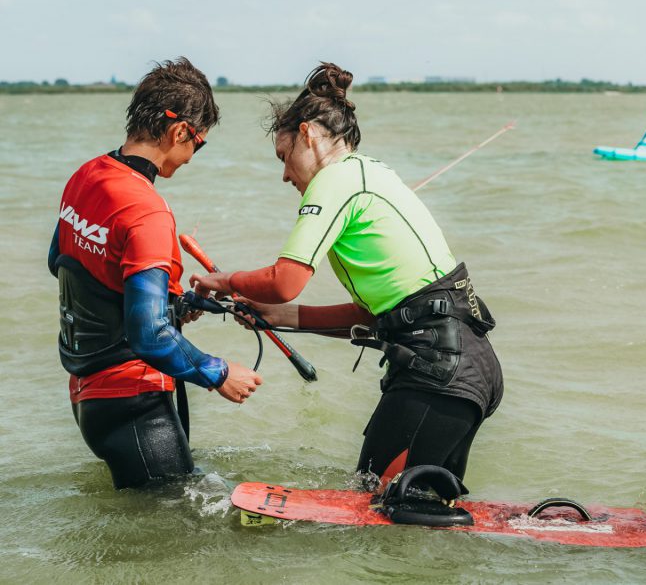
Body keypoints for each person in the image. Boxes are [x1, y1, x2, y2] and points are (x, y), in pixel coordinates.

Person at [191, 62, 503, 487]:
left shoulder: (335, 180)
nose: (284, 174)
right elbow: (380, 315)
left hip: (437, 370)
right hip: (469, 365)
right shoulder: (373, 172)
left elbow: (284, 281)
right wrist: (281, 318)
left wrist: (225, 281)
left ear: (308, 135)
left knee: (372, 500)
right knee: (418, 514)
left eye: (284, 158)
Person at [49, 57, 263, 490]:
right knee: (179, 535)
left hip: (89, 395)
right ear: (180, 131)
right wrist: (219, 372)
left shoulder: (85, 177)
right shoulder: (147, 210)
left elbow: (63, 262)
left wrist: (175, 304)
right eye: (197, 144)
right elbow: (148, 336)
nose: (190, 158)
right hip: (135, 400)